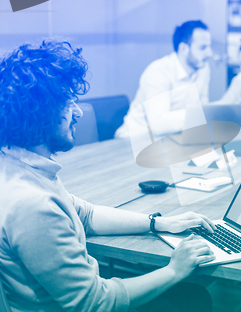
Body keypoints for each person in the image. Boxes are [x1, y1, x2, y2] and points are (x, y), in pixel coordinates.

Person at [0, 41, 216, 312]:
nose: (77, 111)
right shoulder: (33, 204)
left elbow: (86, 215)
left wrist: (159, 223)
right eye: (68, 104)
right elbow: (95, 302)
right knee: (191, 298)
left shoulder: (18, 165)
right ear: (39, 114)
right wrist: (174, 270)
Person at [115, 20, 213, 138]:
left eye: (209, 46)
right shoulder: (159, 71)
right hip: (134, 139)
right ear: (183, 49)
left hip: (171, 140)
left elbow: (203, 110)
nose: (210, 53)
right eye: (203, 48)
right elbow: (158, 124)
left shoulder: (202, 69)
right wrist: (201, 115)